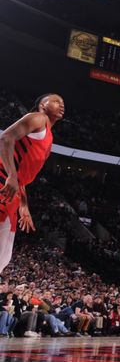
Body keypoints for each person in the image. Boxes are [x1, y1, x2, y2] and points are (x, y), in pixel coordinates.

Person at [0, 94, 64, 274]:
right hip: (3, 179)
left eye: (63, 102)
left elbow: (22, 176)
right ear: (43, 105)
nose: (62, 105)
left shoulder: (49, 136)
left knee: (3, 256)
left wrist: (23, 204)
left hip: (12, 190)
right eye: (56, 101)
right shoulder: (38, 118)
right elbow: (5, 138)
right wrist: (11, 175)